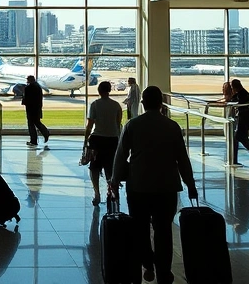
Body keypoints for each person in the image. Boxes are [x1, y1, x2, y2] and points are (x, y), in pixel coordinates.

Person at [110, 86, 197, 284]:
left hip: (138, 185)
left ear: (142, 103)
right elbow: (182, 159)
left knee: (140, 229)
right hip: (166, 186)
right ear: (161, 104)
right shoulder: (172, 126)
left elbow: (121, 155)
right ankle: (164, 271)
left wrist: (115, 181)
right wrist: (190, 183)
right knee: (164, 230)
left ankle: (147, 263)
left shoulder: (132, 125)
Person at [84, 81, 122, 205]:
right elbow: (118, 124)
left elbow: (90, 125)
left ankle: (96, 193)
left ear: (99, 91)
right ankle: (110, 189)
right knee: (110, 167)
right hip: (112, 139)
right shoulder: (116, 105)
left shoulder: (95, 104)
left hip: (97, 139)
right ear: (109, 90)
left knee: (94, 167)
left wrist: (85, 140)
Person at [21, 75, 50, 147]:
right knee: (37, 122)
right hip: (37, 108)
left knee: (31, 124)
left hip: (31, 109)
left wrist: (23, 101)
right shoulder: (38, 87)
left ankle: (34, 140)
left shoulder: (29, 88)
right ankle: (45, 133)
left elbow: (26, 99)